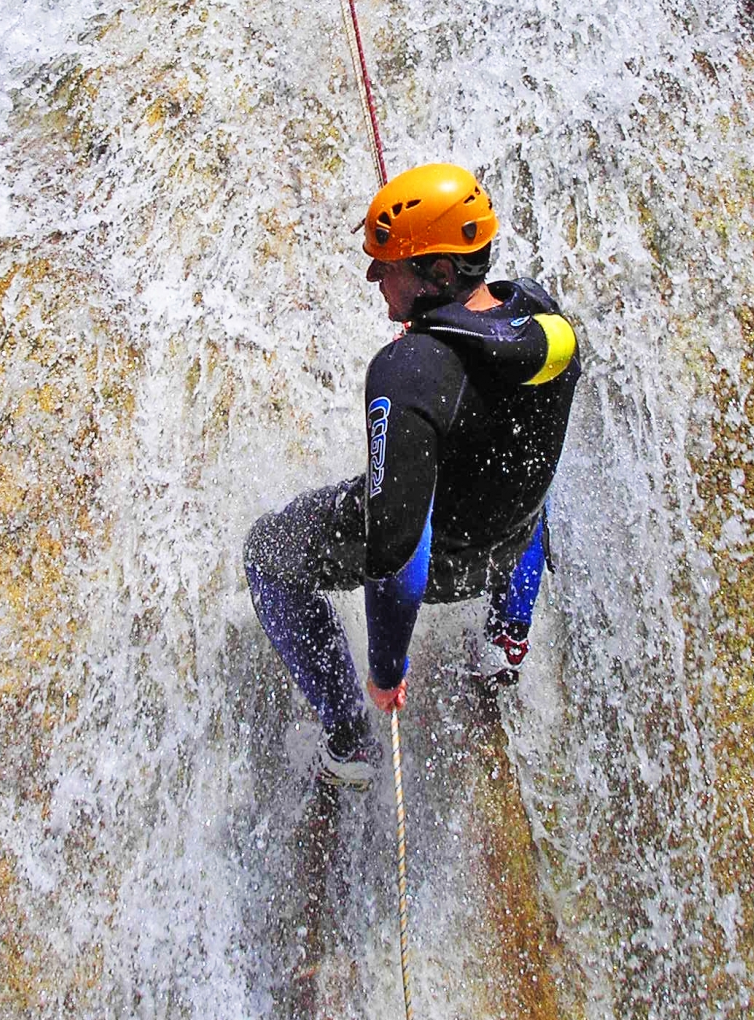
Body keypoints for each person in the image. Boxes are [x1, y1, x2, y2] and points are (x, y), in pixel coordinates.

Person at [243, 163, 581, 790]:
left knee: (267, 555)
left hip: (450, 558)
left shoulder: (408, 372)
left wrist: (386, 669)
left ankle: (347, 743)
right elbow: (486, 376)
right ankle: (506, 641)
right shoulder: (543, 321)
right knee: (526, 455)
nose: (374, 276)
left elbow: (397, 557)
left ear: (442, 273)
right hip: (510, 541)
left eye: (388, 264)